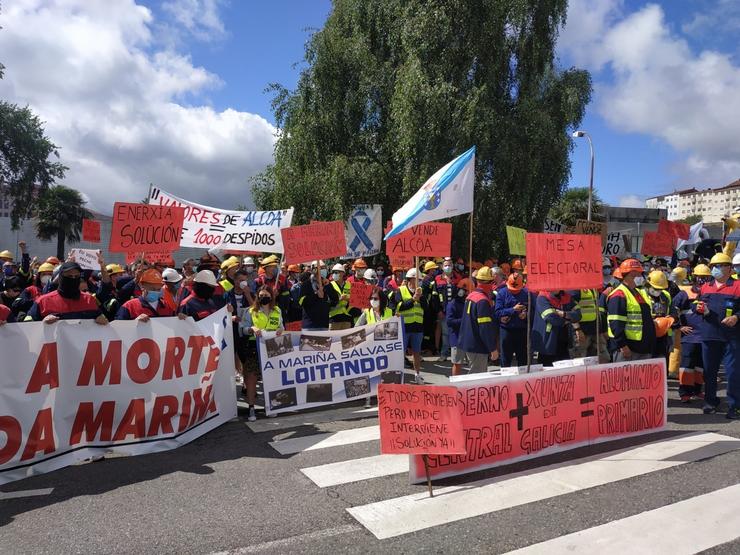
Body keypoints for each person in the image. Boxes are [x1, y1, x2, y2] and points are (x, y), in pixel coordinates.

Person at [694, 253, 740, 418]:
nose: (715, 269)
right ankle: (710, 401)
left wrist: (736, 317)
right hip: (710, 335)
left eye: (719, 266)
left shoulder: (738, 286)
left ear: (729, 268)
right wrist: (699, 308)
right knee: (709, 372)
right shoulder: (706, 286)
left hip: (731, 337)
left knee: (733, 372)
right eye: (713, 266)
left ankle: (734, 406)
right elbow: (696, 305)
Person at [240, 286, 284, 421]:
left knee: (271, 378)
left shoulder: (277, 310)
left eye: (266, 295)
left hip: (272, 347)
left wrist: (281, 329)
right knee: (251, 379)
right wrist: (251, 328)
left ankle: (271, 406)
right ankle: (252, 408)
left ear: (271, 296)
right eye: (261, 295)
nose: (264, 298)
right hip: (254, 347)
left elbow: (281, 326)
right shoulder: (250, 311)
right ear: (257, 297)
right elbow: (242, 330)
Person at [607, 258, 657, 362]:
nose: (642, 277)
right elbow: (616, 324)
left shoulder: (638, 292)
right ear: (632, 274)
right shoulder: (619, 295)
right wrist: (623, 346)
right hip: (628, 350)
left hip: (643, 348)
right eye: (640, 274)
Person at [672, 264, 709, 403]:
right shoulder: (685, 293)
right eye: (699, 277)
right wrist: (679, 326)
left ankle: (697, 390)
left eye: (705, 277)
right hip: (690, 337)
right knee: (687, 366)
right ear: (693, 277)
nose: (702, 280)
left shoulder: (710, 293)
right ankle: (685, 393)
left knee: (700, 366)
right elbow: (673, 310)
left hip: (704, 336)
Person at [26, 262, 108, 324]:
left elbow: (102, 319)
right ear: (61, 277)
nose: (73, 279)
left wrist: (103, 321)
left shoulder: (89, 300)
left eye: (76, 277)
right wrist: (42, 323)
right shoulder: (43, 302)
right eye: (69, 276)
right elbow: (28, 327)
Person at [458, 266, 499, 373]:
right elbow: (485, 328)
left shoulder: (471, 295)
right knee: (477, 376)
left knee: (473, 374)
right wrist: (492, 348)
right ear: (489, 283)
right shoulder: (483, 301)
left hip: (468, 342)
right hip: (477, 345)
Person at [393, 268, 427, 382]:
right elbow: (399, 307)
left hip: (418, 327)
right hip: (404, 327)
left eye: (420, 280)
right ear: (410, 279)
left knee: (417, 352)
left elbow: (426, 308)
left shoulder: (421, 291)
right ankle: (399, 375)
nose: (419, 282)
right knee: (400, 353)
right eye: (417, 279)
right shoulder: (400, 290)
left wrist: (420, 298)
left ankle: (417, 374)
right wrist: (413, 299)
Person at [532, 289, 579, 366]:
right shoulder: (542, 298)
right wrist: (565, 321)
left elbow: (578, 314)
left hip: (564, 340)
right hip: (548, 342)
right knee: (547, 370)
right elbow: (550, 317)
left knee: (565, 369)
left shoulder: (567, 296)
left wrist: (564, 314)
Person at [495, 272, 530, 367]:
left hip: (521, 330)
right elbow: (497, 312)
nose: (514, 291)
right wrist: (512, 310)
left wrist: (526, 315)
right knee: (505, 359)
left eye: (517, 290)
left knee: (523, 359)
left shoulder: (526, 293)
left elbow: (533, 310)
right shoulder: (502, 294)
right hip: (506, 330)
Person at [645, 270, 679, 362]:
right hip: (647, 336)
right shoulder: (641, 295)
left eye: (660, 289)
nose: (658, 291)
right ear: (648, 285)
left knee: (662, 364)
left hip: (663, 337)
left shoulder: (666, 295)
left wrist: (671, 318)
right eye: (656, 288)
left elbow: (673, 312)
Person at [299, 260, 338, 330]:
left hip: (324, 325)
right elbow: (301, 302)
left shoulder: (327, 284)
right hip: (310, 326)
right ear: (314, 270)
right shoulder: (306, 284)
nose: (324, 270)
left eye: (325, 268)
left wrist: (328, 286)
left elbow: (335, 301)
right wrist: (316, 295)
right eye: (322, 268)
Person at [447, 278, 471, 375]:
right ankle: (456, 385)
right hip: (456, 338)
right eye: (466, 291)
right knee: (457, 363)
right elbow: (449, 321)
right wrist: (464, 321)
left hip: (468, 338)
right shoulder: (452, 304)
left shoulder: (467, 303)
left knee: (471, 363)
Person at [434, 259, 456, 361]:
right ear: (442, 267)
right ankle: (444, 354)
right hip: (443, 311)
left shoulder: (458, 278)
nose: (448, 267)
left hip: (456, 312)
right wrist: (438, 310)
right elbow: (435, 297)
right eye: (446, 265)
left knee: (456, 333)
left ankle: (456, 355)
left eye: (450, 265)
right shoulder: (437, 279)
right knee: (445, 334)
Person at [328, 263, 354, 330]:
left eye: (336, 272)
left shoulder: (349, 285)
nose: (334, 274)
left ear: (342, 273)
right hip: (334, 319)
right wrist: (339, 299)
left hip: (346, 318)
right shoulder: (330, 285)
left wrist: (348, 299)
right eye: (333, 272)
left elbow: (354, 300)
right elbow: (327, 302)